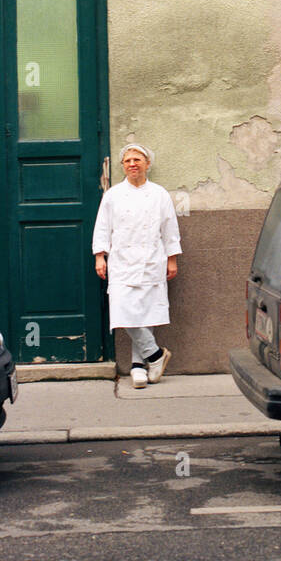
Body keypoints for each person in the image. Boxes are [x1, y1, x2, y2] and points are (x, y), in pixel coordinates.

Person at [93, 143, 181, 388]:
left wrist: (172, 258)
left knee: (147, 312)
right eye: (128, 161)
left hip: (152, 260)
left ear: (147, 164)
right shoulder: (113, 195)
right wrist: (100, 256)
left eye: (137, 160)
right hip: (121, 262)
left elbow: (169, 228)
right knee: (124, 311)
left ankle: (138, 366)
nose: (132, 164)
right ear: (123, 165)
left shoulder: (160, 194)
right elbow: (102, 226)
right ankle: (155, 355)